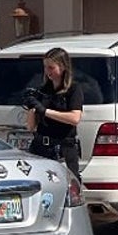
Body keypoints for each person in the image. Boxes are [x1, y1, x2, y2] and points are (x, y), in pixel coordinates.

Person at [23, 47, 84, 179]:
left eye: (51, 67)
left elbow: (74, 118)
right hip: (41, 146)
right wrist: (31, 107)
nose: (47, 71)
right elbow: (30, 127)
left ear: (62, 67)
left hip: (63, 148)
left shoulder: (73, 89)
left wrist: (45, 111)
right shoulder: (43, 90)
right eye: (45, 67)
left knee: (66, 187)